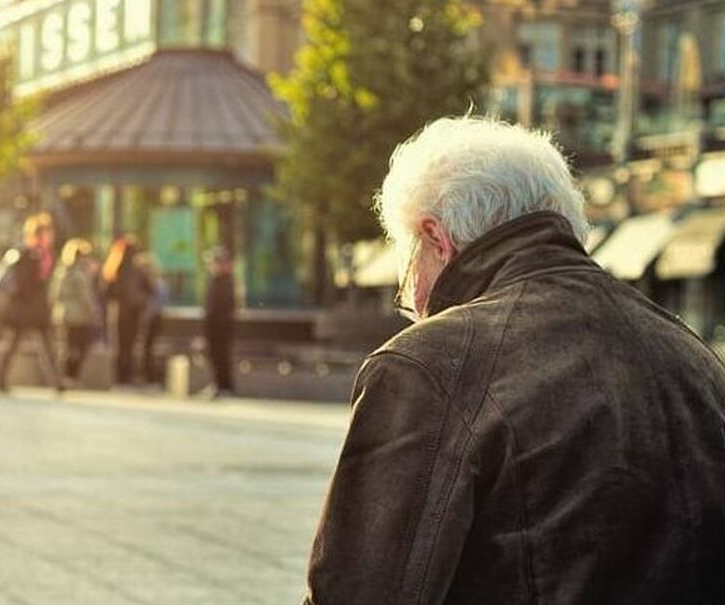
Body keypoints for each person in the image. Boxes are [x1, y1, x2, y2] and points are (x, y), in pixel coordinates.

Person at [304, 116, 725, 605]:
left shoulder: (429, 364)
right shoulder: (692, 354)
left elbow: (360, 593)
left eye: (405, 281)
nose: (412, 306)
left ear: (435, 239)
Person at [0, 212, 61, 394]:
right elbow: (23, 283)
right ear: (38, 235)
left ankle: (57, 382)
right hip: (22, 308)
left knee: (47, 346)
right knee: (12, 344)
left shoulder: (46, 255)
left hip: (36, 309)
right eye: (47, 233)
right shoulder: (24, 254)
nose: (50, 237)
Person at [102, 236, 152, 385]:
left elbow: (107, 293)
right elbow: (149, 289)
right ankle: (127, 376)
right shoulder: (137, 270)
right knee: (130, 345)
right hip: (133, 312)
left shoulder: (113, 269)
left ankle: (120, 377)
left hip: (118, 312)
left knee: (119, 345)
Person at [52, 238, 100, 387]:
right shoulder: (80, 273)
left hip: (63, 314)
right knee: (81, 346)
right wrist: (94, 312)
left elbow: (54, 295)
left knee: (67, 346)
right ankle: (71, 377)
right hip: (80, 316)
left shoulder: (61, 271)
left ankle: (65, 376)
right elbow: (86, 296)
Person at [202, 247, 236, 397]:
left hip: (221, 325)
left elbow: (226, 306)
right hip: (214, 324)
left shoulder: (226, 281)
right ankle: (219, 384)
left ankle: (223, 386)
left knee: (221, 355)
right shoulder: (216, 280)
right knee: (215, 355)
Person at [135, 252, 167, 383]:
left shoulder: (155, 284)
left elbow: (156, 304)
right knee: (147, 348)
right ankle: (148, 375)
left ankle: (150, 376)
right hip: (153, 318)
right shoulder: (155, 283)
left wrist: (145, 317)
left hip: (153, 319)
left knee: (149, 348)